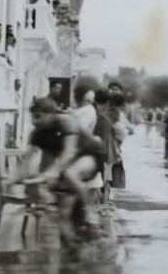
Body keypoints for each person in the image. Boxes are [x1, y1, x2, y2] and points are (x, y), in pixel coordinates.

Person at [22, 97, 106, 243]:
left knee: (70, 174)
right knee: (64, 215)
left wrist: (50, 173)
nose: (34, 121)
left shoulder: (66, 122)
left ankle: (90, 212)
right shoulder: (37, 133)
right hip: (69, 164)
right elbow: (26, 159)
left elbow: (69, 152)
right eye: (32, 117)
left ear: (50, 115)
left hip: (91, 155)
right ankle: (73, 244)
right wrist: (14, 178)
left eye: (38, 116)